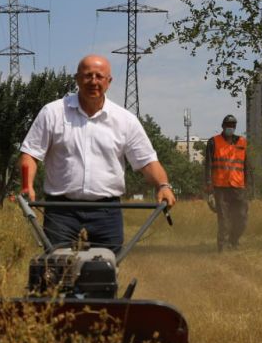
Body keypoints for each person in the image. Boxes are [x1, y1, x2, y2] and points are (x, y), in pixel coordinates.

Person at [19, 54, 177, 251]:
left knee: (105, 271)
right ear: (77, 79)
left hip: (107, 212)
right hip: (61, 211)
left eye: (99, 76)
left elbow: (147, 161)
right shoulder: (53, 113)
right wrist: (27, 186)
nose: (93, 81)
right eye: (87, 76)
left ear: (108, 81)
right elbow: (30, 155)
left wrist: (163, 185)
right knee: (57, 269)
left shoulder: (124, 120)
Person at [204, 114, 249, 251]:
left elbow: (246, 165)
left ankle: (233, 240)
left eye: (233, 126)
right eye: (228, 125)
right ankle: (222, 247)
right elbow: (208, 165)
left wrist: (249, 185)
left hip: (238, 187)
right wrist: (209, 187)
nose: (231, 128)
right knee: (223, 219)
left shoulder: (242, 142)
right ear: (223, 127)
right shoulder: (213, 142)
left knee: (241, 217)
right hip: (220, 187)